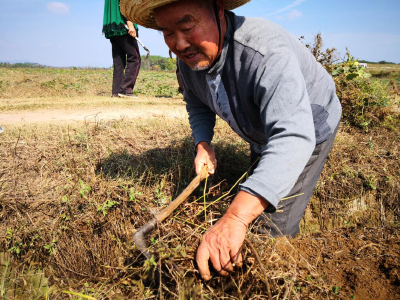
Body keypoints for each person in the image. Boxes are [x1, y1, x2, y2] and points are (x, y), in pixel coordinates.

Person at [120, 0, 342, 281]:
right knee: (261, 181)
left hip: (308, 124)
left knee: (268, 228)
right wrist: (203, 143)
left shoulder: (265, 52)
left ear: (219, 11)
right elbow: (196, 102)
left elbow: (292, 137)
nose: (179, 43)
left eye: (187, 26)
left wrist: (235, 218)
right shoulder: (190, 59)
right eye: (167, 32)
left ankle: (281, 276)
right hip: (262, 127)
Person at [103, 0, 141, 98]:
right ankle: (125, 90)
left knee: (119, 62)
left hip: (111, 26)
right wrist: (130, 25)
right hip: (123, 26)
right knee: (135, 58)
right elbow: (125, 5)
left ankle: (116, 92)